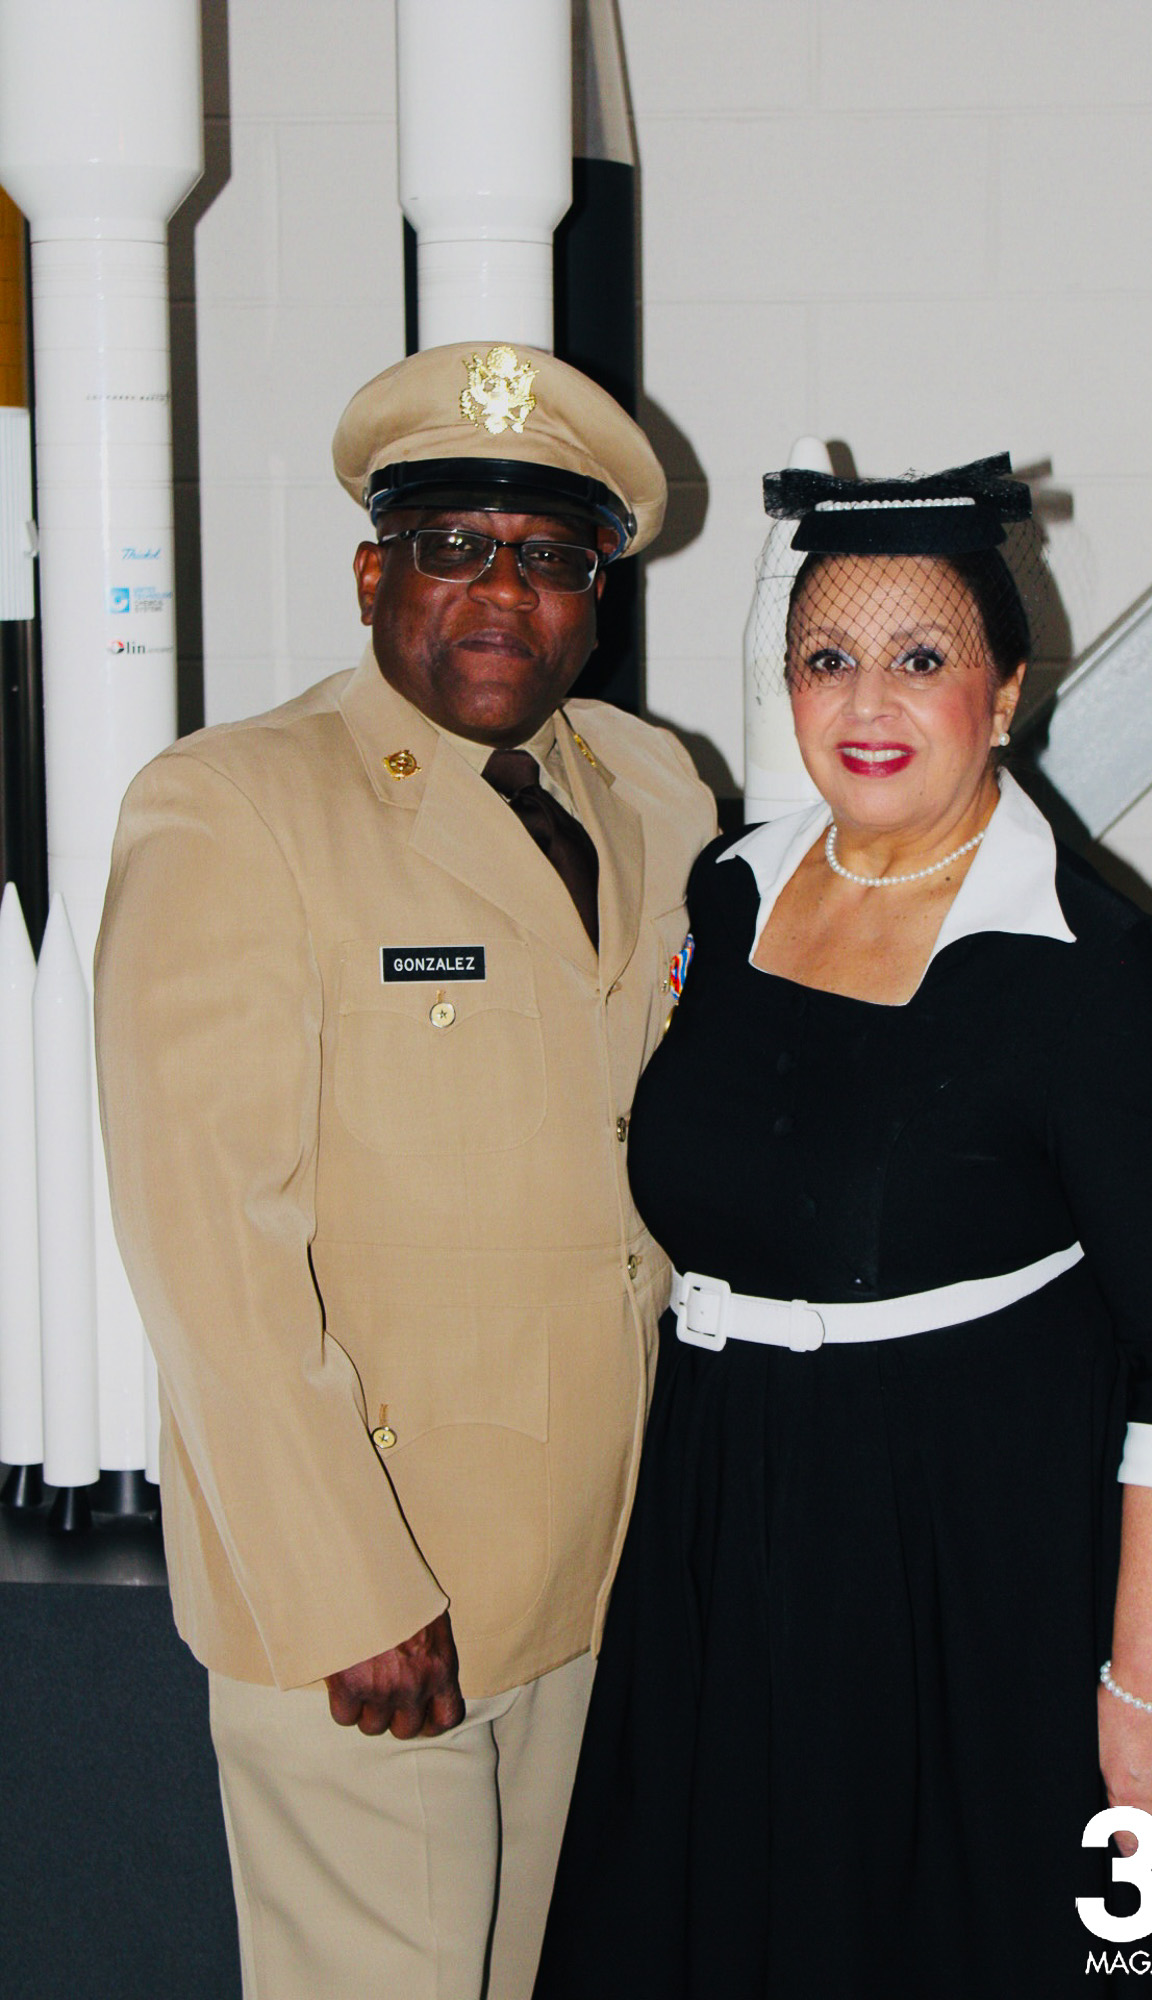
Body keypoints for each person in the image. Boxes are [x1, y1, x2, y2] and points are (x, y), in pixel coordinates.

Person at [535, 459, 1152, 1996]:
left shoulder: (1087, 962)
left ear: (1005, 689)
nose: (866, 700)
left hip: (968, 1556)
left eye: (919, 657)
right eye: (825, 657)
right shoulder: (730, 890)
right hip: (725, 1510)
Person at [93, 340, 716, 2000]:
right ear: (376, 576)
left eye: (550, 556)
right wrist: (342, 1586)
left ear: (596, 597)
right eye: (453, 547)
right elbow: (208, 1245)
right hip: (377, 1583)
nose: (502, 593)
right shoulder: (237, 808)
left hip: (599, 1559)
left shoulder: (655, 790)